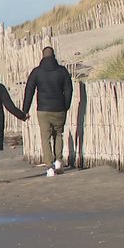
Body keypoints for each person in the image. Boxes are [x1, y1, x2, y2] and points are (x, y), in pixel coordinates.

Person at [22, 46, 73, 177]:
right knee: (59, 134)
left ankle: (49, 167)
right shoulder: (62, 71)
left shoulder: (37, 72)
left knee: (46, 138)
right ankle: (58, 161)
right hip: (59, 108)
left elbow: (29, 91)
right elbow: (68, 90)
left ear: (42, 56)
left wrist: (25, 110)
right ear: (54, 56)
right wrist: (66, 105)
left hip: (43, 110)